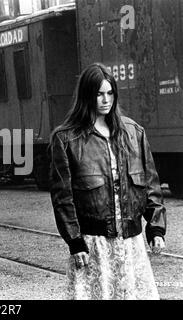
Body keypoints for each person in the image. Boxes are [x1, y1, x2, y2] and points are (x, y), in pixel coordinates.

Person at [49, 63, 166, 300]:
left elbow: (151, 186)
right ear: (87, 96)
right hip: (94, 245)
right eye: (99, 94)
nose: (106, 100)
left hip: (131, 244)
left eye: (110, 93)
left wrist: (156, 229)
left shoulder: (134, 133)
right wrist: (75, 243)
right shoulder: (66, 139)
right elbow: (63, 198)